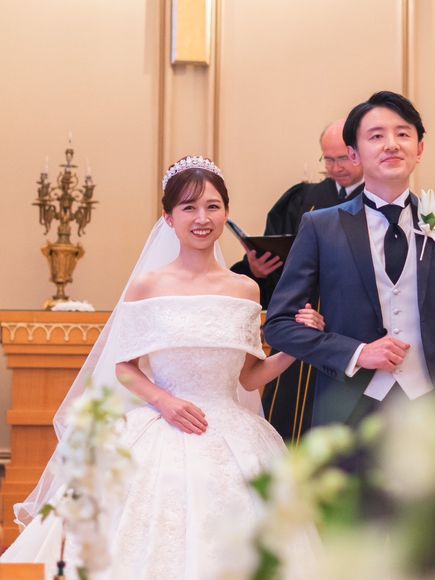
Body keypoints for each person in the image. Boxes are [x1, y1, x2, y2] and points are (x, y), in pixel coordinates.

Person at [1, 156, 323, 579]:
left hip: (234, 431)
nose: (202, 218)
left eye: (212, 206)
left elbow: (249, 377)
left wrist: (298, 347)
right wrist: (165, 402)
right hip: (163, 424)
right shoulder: (148, 285)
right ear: (169, 218)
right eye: (189, 207)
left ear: (226, 213)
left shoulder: (246, 289)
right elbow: (125, 367)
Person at [264, 91, 435, 575]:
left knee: (417, 560)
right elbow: (279, 325)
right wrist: (356, 352)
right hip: (348, 418)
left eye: (403, 134)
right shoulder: (320, 227)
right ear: (354, 153)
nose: (391, 144)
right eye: (376, 135)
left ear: (419, 148)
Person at [232, 120, 364, 443]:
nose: (335, 167)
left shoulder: (377, 201)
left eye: (342, 158)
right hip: (300, 322)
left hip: (350, 329)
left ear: (358, 152)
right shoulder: (303, 199)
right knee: (291, 422)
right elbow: (281, 268)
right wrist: (257, 269)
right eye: (328, 159)